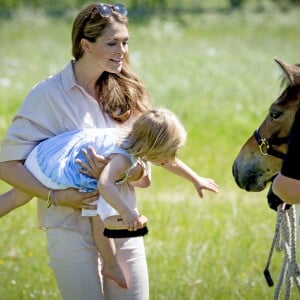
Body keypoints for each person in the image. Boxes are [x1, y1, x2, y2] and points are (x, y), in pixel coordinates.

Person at [0, 3, 153, 299]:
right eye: (112, 43)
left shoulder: (129, 91)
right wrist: (54, 196)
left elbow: (145, 172)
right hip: (68, 231)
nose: (122, 50)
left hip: (121, 224)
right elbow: (7, 165)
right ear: (86, 45)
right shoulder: (47, 95)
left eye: (125, 42)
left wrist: (129, 171)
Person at [0, 108, 219, 290]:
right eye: (170, 152)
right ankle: (111, 264)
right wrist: (127, 212)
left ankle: (111, 264)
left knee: (16, 196)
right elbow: (105, 184)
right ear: (151, 148)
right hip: (58, 169)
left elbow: (168, 162)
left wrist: (195, 179)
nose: (172, 158)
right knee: (98, 211)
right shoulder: (123, 158)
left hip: (45, 155)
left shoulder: (129, 136)